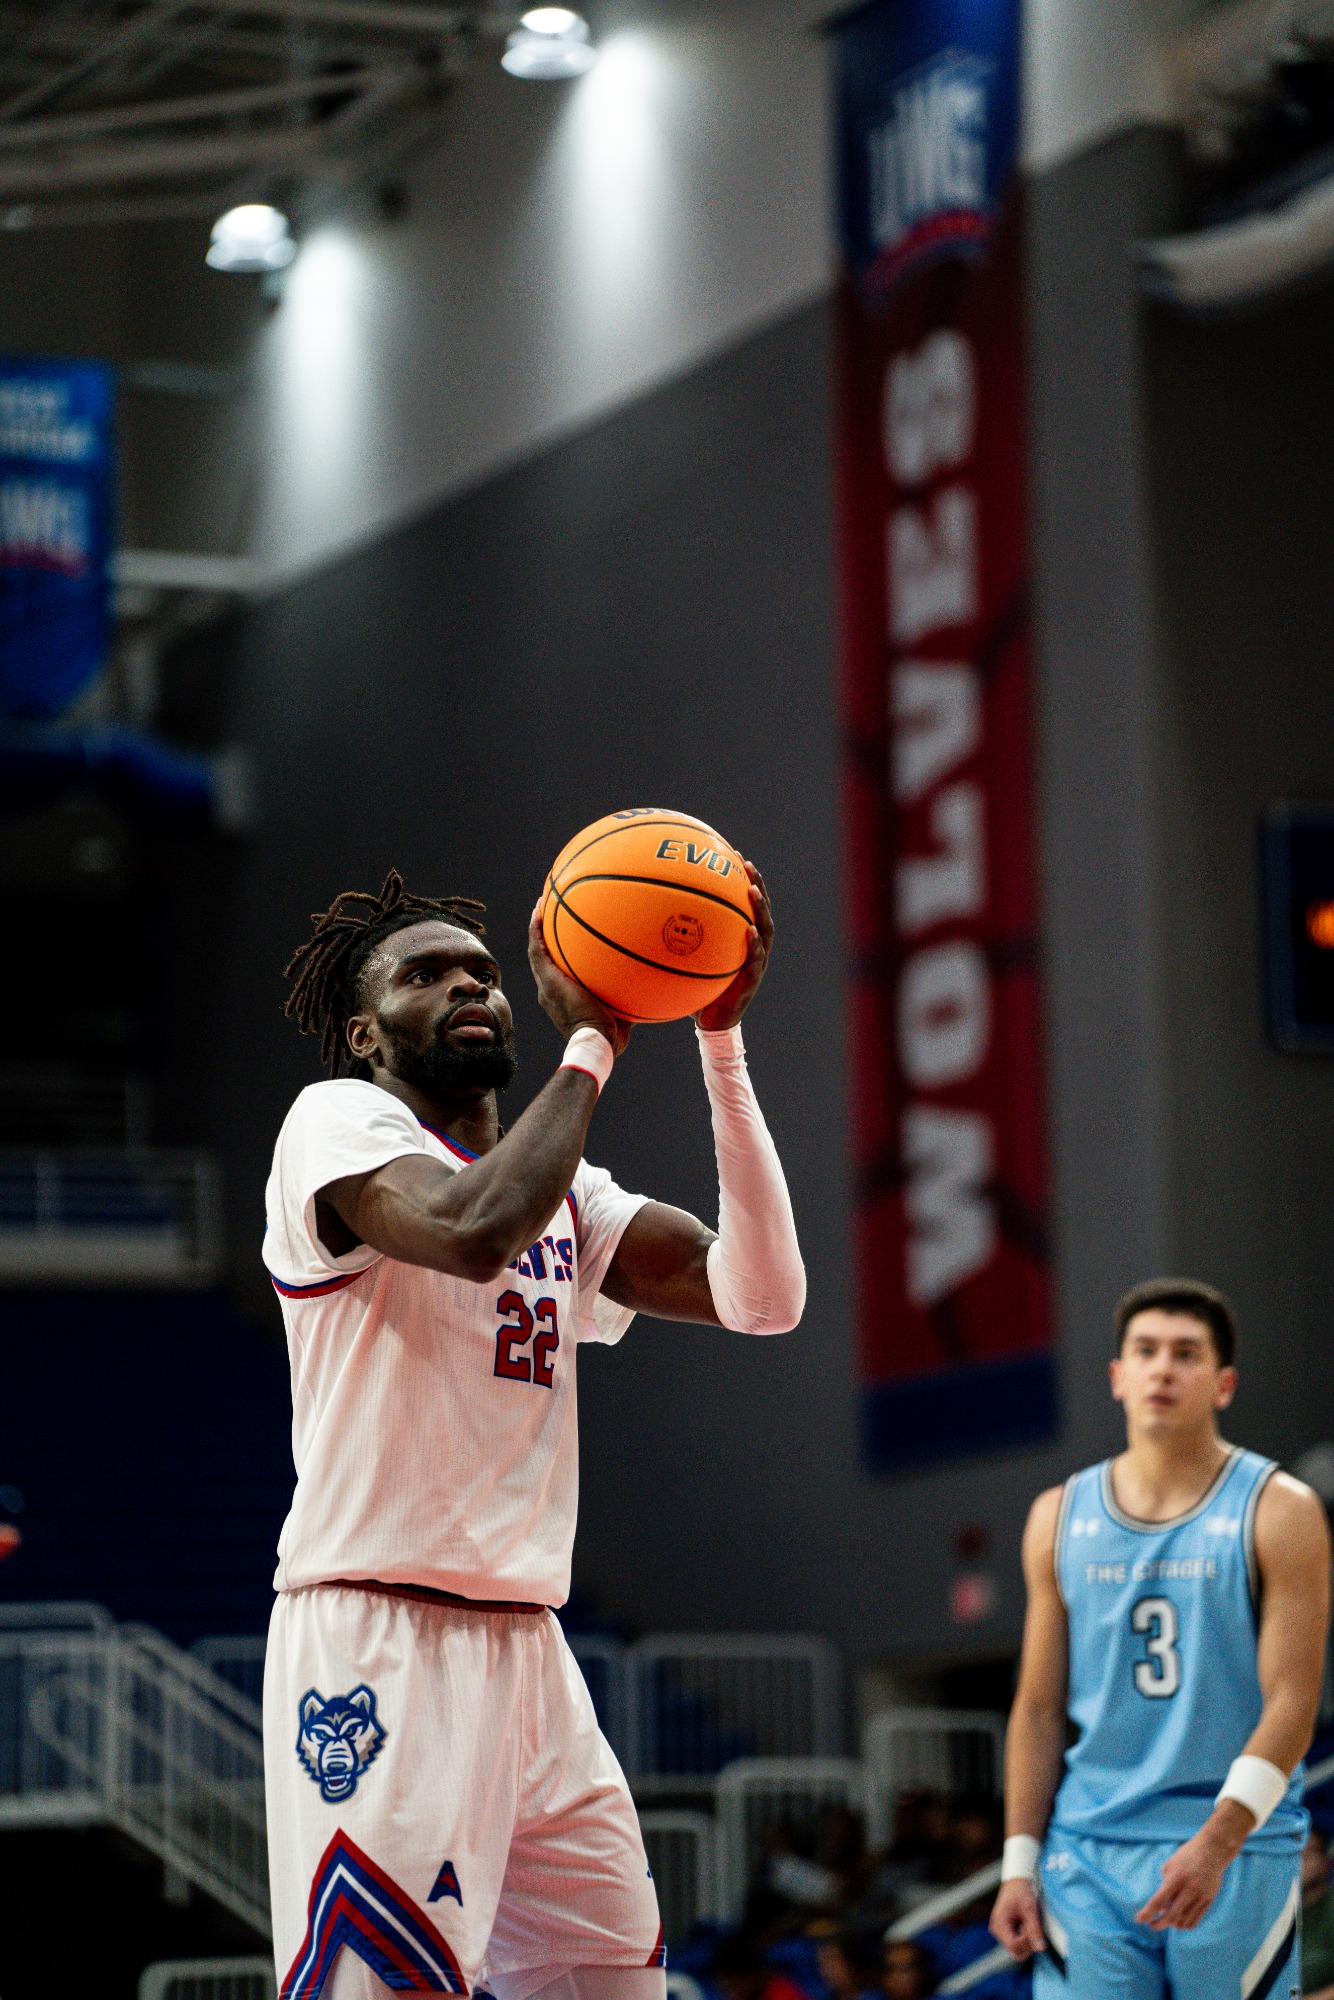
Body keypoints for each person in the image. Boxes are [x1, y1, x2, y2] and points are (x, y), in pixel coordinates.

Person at [261, 866, 805, 2000]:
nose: (469, 985)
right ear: (364, 1033)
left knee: (610, 1979)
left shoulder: (568, 1192)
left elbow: (763, 1297)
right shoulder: (334, 1124)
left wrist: (719, 1040)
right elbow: (470, 1229)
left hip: (530, 1651)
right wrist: (595, 1042)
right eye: (425, 975)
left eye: (482, 971)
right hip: (380, 1637)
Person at [990, 1278, 1330, 2000]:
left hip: (1236, 1846)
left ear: (1224, 1384)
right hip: (1088, 1853)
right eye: (1145, 1351)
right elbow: (1038, 1708)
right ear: (1118, 1376)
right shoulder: (1057, 1516)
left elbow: (1293, 1705)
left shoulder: (1281, 1509)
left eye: (1186, 1353)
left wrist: (1219, 1839)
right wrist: (1018, 1863)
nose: (1162, 1369)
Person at [1301, 1827, 1334, 1997]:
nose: (1300, 1862)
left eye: (1309, 1853)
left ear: (1326, 1862)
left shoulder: (1330, 1909)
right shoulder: (1273, 1909)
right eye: (1296, 1854)